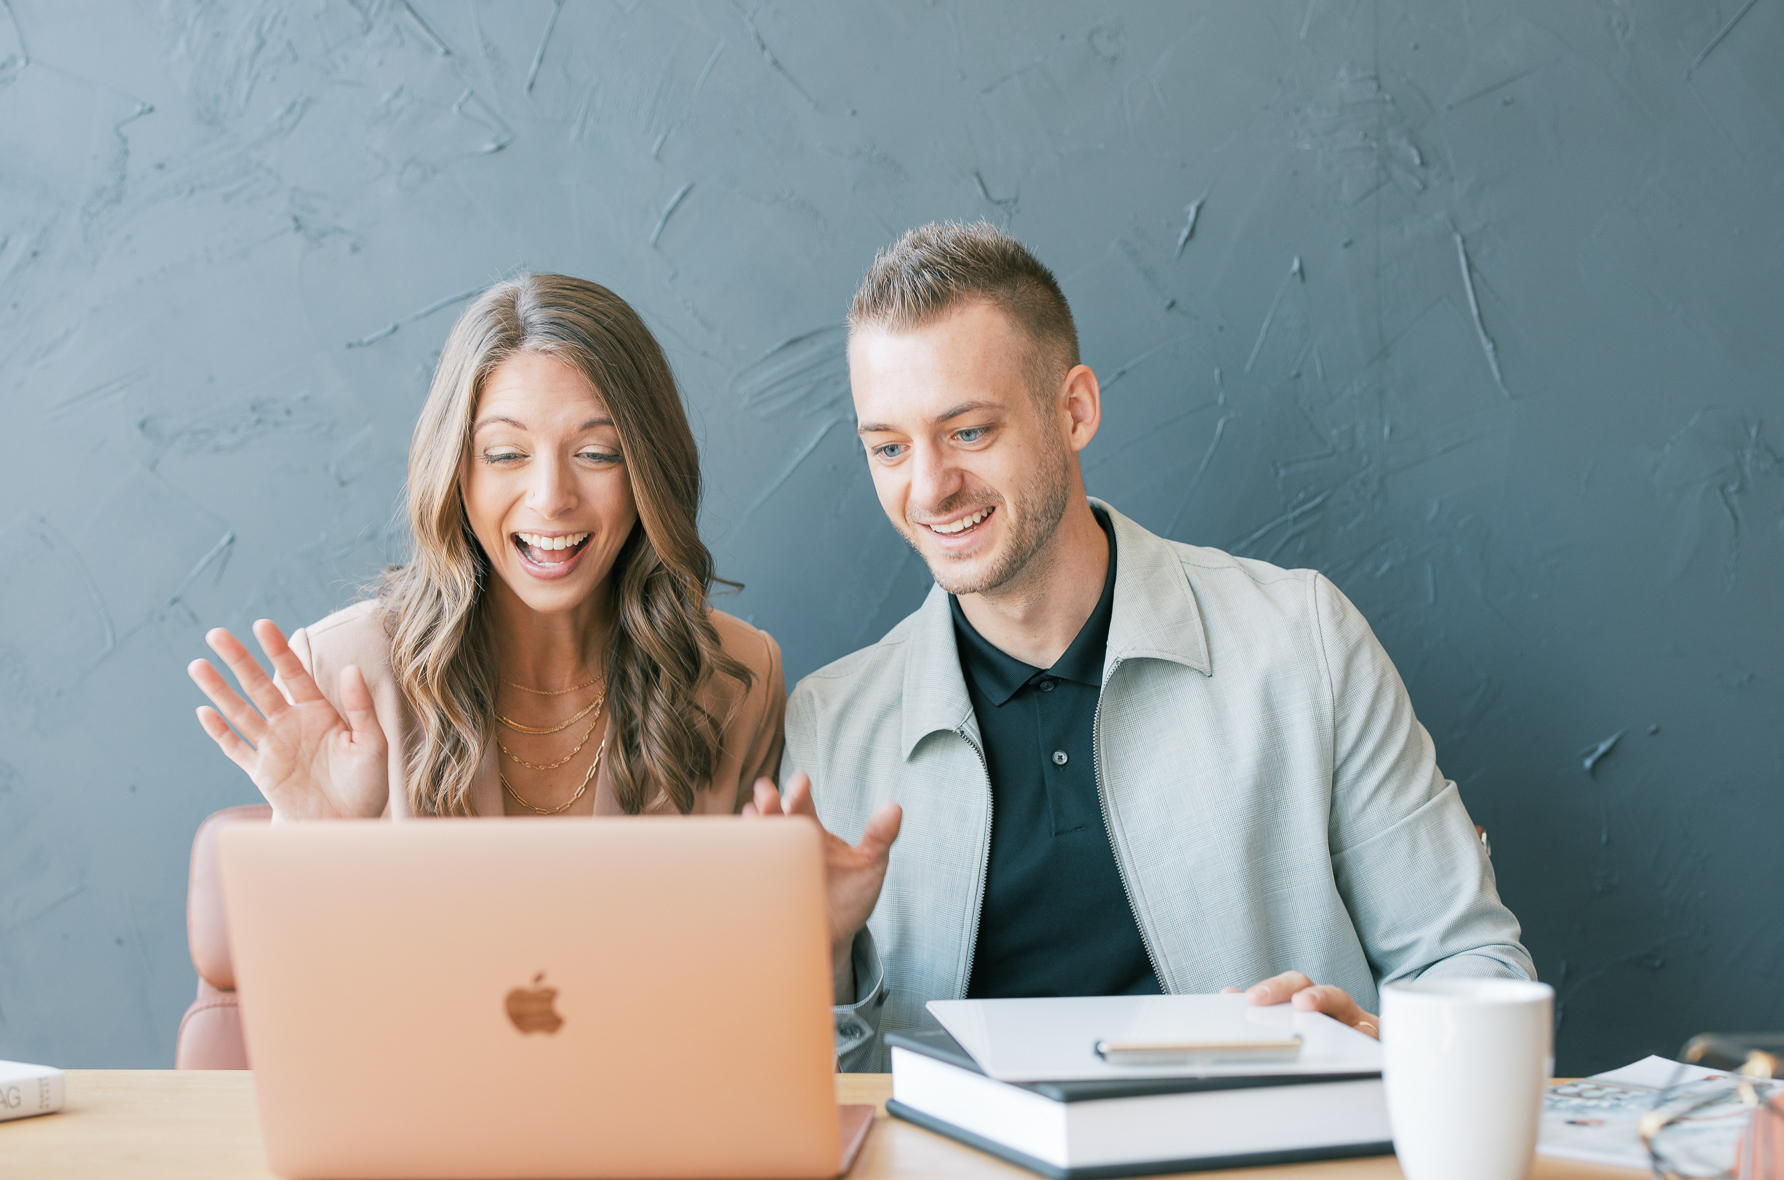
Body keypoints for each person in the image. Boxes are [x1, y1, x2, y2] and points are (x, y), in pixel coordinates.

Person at [747, 223, 1533, 1070]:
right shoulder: (829, 724)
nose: (930, 487)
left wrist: (1377, 1048)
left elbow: (1474, 965)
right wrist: (820, 957)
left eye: (969, 431)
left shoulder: (1304, 640)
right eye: (889, 448)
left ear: (1074, 409)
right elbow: (805, 1109)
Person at [189, 273, 782, 820]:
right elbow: (302, 935)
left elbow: (774, 931)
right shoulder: (345, 671)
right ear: (454, 471)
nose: (551, 498)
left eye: (596, 454)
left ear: (649, 471)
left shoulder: (739, 680)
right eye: (504, 454)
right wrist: (323, 840)